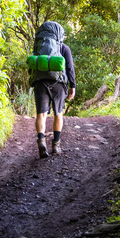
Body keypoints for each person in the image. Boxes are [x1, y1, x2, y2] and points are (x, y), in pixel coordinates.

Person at [31, 22, 76, 158]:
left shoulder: (38, 47)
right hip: (58, 83)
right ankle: (56, 145)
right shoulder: (63, 47)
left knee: (41, 114)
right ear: (59, 34)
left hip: (40, 82)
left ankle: (41, 141)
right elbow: (69, 68)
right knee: (58, 113)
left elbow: (32, 65)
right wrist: (72, 86)